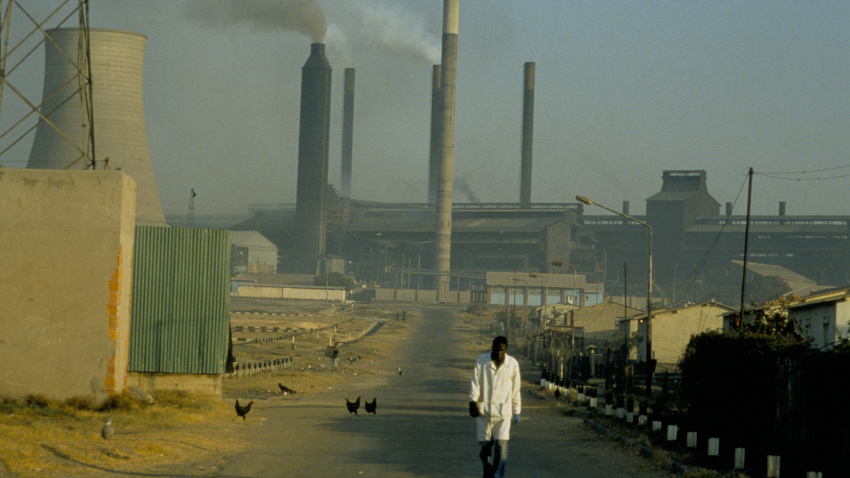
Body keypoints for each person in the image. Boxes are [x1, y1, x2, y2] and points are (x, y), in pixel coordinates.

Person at [469, 336, 521, 478]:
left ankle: (498, 475)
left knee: (501, 447)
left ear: (506, 349)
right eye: (497, 349)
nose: (499, 352)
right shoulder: (482, 361)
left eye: (502, 350)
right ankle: (487, 466)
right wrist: (472, 401)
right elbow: (476, 383)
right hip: (484, 412)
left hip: (503, 413)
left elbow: (516, 389)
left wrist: (516, 411)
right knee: (485, 447)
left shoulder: (512, 364)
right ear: (492, 347)